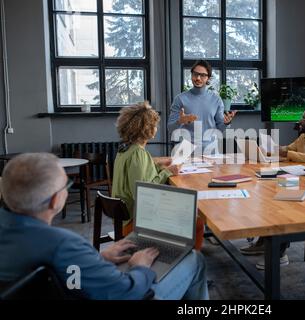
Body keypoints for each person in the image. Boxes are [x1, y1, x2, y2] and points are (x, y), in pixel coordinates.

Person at [0, 153, 209, 299]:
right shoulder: (63, 244)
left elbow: (67, 277)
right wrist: (141, 269)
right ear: (56, 200)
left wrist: (98, 259)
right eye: (66, 186)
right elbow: (127, 293)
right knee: (194, 258)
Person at [240, 107, 305, 270]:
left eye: (304, 119)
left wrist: (289, 154)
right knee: (269, 198)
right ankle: (263, 242)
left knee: (285, 209)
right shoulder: (304, 136)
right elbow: (288, 149)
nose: (299, 121)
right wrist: (266, 152)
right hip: (300, 181)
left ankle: (278, 254)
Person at [112, 101, 180, 236]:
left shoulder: (125, 150)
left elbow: (140, 174)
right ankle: (183, 256)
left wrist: (158, 166)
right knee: (195, 222)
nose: (156, 127)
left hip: (121, 219)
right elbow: (144, 192)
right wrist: (167, 172)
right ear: (146, 128)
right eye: (154, 125)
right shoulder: (138, 153)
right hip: (134, 222)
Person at [168, 60, 237, 150]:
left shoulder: (216, 100)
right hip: (186, 151)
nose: (198, 78)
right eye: (195, 74)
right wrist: (180, 121)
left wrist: (226, 123)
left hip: (210, 150)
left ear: (208, 78)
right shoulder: (180, 99)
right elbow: (170, 128)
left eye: (203, 75)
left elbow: (220, 128)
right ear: (192, 75)